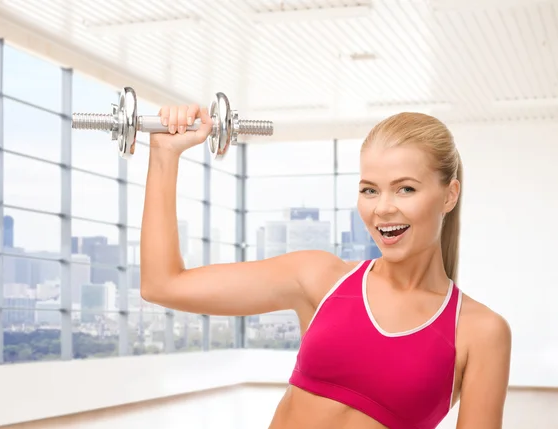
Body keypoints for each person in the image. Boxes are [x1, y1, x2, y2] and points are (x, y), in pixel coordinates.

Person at [139, 103, 512, 429]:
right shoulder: (320, 278)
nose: (382, 208)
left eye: (405, 189)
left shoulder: (480, 332)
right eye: (369, 189)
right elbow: (163, 284)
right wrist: (163, 154)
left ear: (449, 194)